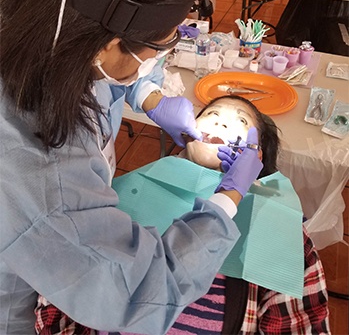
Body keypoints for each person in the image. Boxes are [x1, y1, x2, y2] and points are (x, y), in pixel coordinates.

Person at [0, 0, 264, 335]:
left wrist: (151, 98)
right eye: (162, 46)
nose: (160, 59)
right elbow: (137, 292)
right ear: (106, 44)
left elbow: (105, 70)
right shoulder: (46, 183)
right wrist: (225, 201)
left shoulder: (48, 12)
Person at [35, 96, 330, 335]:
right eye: (212, 115)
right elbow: (57, 301)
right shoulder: (113, 198)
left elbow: (300, 324)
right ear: (185, 134)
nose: (222, 122)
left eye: (240, 122)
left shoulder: (281, 231)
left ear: (257, 156)